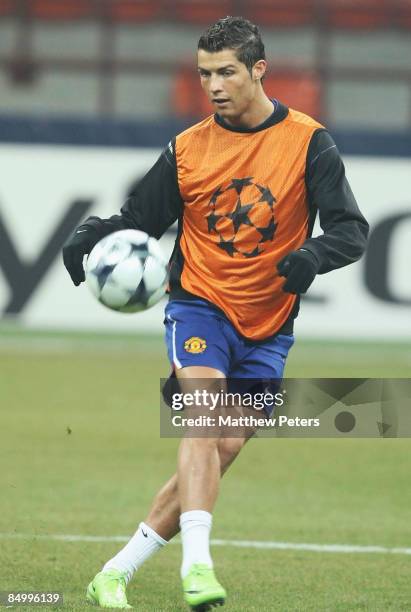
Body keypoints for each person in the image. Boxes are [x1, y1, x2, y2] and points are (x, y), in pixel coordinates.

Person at [63, 16, 368, 611]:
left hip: (271, 325)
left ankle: (114, 572)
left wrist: (313, 255)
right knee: (202, 424)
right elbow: (140, 218)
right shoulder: (188, 148)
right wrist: (95, 232)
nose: (215, 85)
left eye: (227, 71)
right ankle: (198, 567)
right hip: (198, 305)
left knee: (222, 449)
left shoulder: (309, 142)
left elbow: (351, 231)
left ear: (258, 70)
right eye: (205, 74)